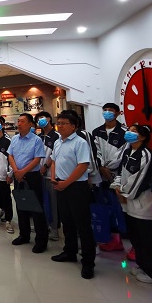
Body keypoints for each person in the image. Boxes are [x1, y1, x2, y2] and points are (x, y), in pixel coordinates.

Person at [110, 124, 152, 284]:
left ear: (143, 136)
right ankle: (142, 265)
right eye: (129, 130)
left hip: (143, 204)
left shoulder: (146, 155)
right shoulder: (128, 152)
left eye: (134, 131)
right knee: (136, 237)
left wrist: (124, 193)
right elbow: (121, 172)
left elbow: (140, 180)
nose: (129, 133)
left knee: (148, 239)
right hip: (129, 203)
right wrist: (117, 187)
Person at [49, 111, 96, 279]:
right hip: (60, 185)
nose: (60, 126)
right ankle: (69, 251)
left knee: (83, 225)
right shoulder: (58, 142)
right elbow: (54, 161)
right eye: (58, 123)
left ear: (74, 126)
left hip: (76, 187)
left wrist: (66, 183)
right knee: (67, 221)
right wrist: (53, 178)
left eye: (64, 123)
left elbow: (82, 166)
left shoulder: (80, 142)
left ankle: (88, 263)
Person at [8, 113, 48, 252]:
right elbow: (10, 155)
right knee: (21, 206)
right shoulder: (14, 139)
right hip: (18, 175)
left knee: (36, 208)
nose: (19, 124)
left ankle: (41, 240)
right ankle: (24, 235)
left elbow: (37, 159)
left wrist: (22, 171)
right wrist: (16, 171)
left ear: (30, 124)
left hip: (32, 176)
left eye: (22, 121)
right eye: (18, 121)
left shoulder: (36, 140)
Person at [92, 102, 128, 252]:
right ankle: (113, 240)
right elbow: (95, 151)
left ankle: (128, 240)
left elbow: (123, 153)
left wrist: (109, 168)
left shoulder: (125, 132)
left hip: (119, 176)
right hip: (102, 176)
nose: (107, 112)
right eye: (105, 110)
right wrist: (101, 167)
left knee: (121, 209)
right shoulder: (97, 131)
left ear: (118, 113)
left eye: (111, 110)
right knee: (106, 208)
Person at [35, 111, 60, 241]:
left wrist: (45, 166)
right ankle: (43, 225)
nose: (40, 120)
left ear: (49, 119)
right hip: (39, 174)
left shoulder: (57, 136)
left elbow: (55, 154)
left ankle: (54, 228)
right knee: (42, 202)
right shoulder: (38, 137)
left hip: (51, 175)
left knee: (53, 203)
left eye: (42, 118)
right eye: (38, 119)